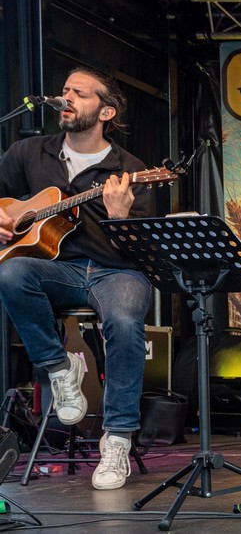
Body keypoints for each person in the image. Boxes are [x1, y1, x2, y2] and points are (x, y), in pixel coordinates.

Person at [0, 67, 154, 490]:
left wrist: (120, 218)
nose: (66, 98)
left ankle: (117, 438)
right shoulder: (29, 153)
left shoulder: (131, 169)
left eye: (80, 94)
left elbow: (142, 251)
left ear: (106, 112)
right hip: (57, 269)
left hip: (116, 270)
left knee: (124, 322)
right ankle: (58, 366)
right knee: (10, 272)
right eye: (65, 90)